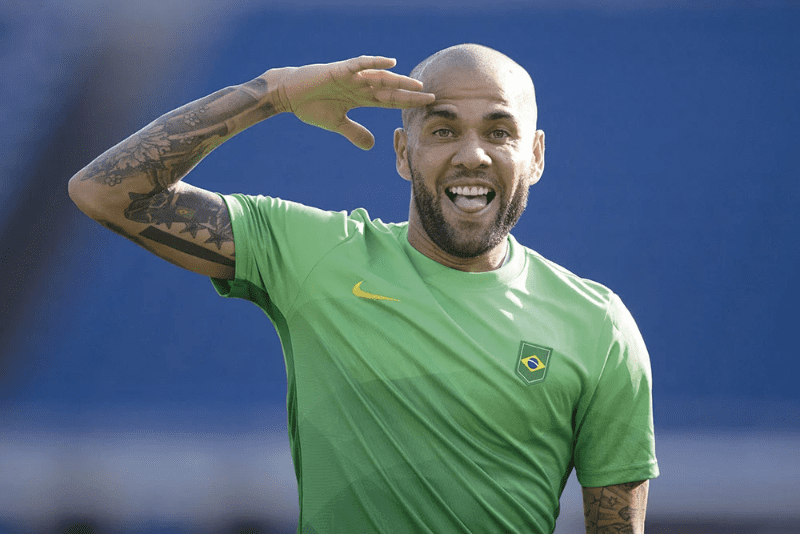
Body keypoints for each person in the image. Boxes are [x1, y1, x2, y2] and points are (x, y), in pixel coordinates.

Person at [69, 44, 658, 534]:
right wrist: (273, 92)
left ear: (535, 156)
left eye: (499, 132)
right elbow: (104, 193)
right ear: (404, 153)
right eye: (443, 129)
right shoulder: (312, 254)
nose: (472, 155)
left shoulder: (598, 325)